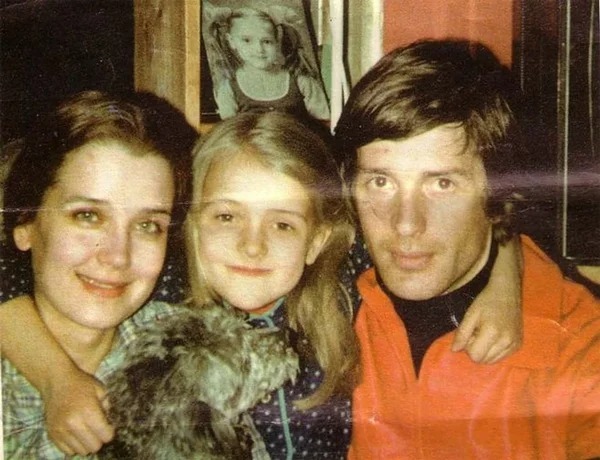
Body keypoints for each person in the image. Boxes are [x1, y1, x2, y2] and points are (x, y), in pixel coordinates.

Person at [2, 110, 523, 459]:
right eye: (227, 217)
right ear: (192, 227)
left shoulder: (335, 282)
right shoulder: (164, 293)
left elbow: (453, 235)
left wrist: (505, 275)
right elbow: (10, 269)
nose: (252, 247)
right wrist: (56, 377)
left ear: (316, 240)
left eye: (282, 224)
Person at [333, 39, 600, 459]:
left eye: (442, 184)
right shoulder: (328, 309)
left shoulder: (581, 346)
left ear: (499, 190)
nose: (406, 224)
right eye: (380, 182)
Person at [0, 89, 196, 459]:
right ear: (25, 224)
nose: (117, 257)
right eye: (88, 216)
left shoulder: (193, 360)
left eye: (148, 225)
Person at [210, 7, 330, 120]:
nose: (259, 49)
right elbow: (228, 130)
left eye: (267, 41)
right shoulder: (228, 88)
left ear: (277, 41)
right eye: (247, 40)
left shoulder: (301, 81)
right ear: (231, 41)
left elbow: (323, 122)